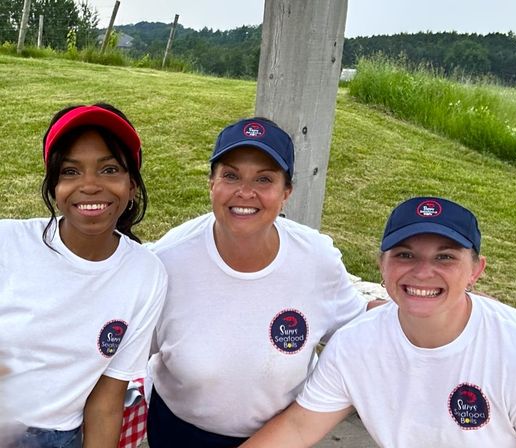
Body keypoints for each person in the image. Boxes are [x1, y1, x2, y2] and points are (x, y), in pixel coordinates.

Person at [240, 196, 516, 448]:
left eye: (445, 257)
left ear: (475, 271)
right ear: (383, 265)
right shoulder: (354, 345)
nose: (422, 272)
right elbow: (299, 427)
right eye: (405, 254)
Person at [146, 117, 383, 447]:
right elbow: (132, 349)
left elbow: (356, 325)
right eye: (231, 176)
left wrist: (425, 314)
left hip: (281, 434)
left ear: (287, 192)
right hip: (181, 430)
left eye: (264, 179)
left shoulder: (316, 259)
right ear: (211, 183)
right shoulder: (168, 259)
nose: (245, 192)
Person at [0, 103, 168, 448]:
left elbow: (108, 400)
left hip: (60, 437)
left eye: (109, 169)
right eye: (70, 172)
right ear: (53, 188)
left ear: (133, 185)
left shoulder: (145, 275)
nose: (90, 186)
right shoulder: (7, 244)